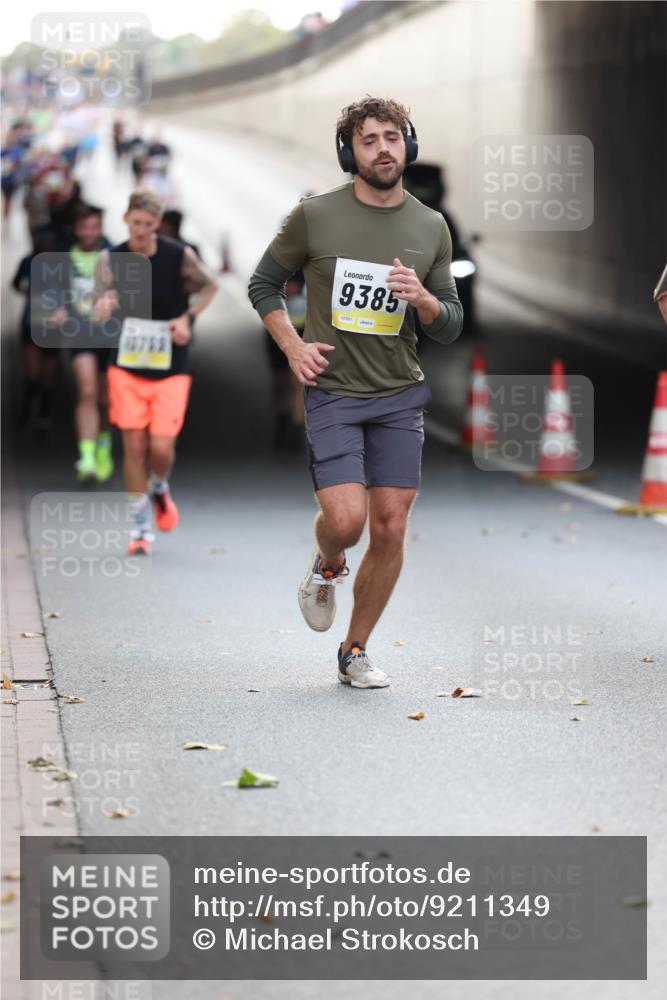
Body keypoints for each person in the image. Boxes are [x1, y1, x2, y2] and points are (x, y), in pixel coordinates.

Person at [248, 96, 463, 689]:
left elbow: (451, 321)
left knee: (390, 527)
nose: (383, 148)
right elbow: (263, 284)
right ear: (350, 152)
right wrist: (293, 347)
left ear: (408, 144)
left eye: (392, 136)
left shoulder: (430, 225)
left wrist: (422, 301)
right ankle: (328, 562)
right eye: (368, 139)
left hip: (399, 392)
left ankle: (355, 650)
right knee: (347, 520)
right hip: (335, 389)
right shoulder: (314, 216)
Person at [92, 189, 219, 555]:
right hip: (126, 366)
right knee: (133, 445)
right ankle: (139, 527)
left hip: (171, 365)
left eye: (149, 225)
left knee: (160, 448)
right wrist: (103, 305)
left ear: (158, 224)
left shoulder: (179, 256)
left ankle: (159, 485)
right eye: (136, 223)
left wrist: (187, 318)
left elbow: (211, 286)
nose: (142, 230)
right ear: (125, 220)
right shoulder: (110, 259)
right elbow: (95, 309)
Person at [48, 204, 114, 481]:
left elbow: (131, 291)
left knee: (106, 397)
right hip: (81, 333)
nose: (89, 232)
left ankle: (103, 446)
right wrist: (57, 309)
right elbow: (52, 291)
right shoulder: (63, 257)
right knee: (87, 391)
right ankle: (86, 458)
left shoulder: (116, 254)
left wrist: (114, 299)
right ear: (76, 229)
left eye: (94, 226)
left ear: (101, 227)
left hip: (112, 335)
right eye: (84, 226)